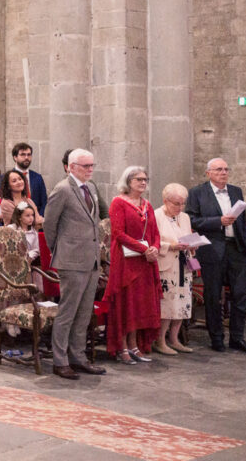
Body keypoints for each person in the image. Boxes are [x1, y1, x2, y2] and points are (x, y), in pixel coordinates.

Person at [43, 148, 107, 379]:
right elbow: (49, 225)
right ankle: (60, 361)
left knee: (84, 312)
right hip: (71, 260)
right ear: (71, 167)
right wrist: (60, 251)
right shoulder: (62, 190)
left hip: (90, 259)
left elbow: (95, 221)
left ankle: (78, 357)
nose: (90, 170)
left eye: (92, 166)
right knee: (67, 312)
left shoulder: (90, 187)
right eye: (85, 166)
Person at [187, 158, 246, 354]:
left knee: (240, 294)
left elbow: (242, 222)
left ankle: (237, 338)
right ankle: (216, 338)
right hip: (213, 250)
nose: (223, 173)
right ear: (208, 172)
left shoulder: (236, 191)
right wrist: (218, 221)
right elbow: (192, 219)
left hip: (237, 249)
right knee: (213, 295)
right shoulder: (198, 193)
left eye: (226, 169)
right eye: (219, 169)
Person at [106, 166, 161, 364]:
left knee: (139, 305)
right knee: (125, 304)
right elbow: (118, 233)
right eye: (139, 179)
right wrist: (143, 248)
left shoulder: (147, 204)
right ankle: (121, 347)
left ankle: (135, 345)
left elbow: (154, 231)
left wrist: (154, 247)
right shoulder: (118, 202)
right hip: (126, 260)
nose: (143, 182)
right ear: (128, 181)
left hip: (145, 260)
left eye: (145, 179)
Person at [154, 183, 195, 355]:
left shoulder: (184, 217)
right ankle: (160, 341)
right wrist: (171, 246)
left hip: (184, 264)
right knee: (168, 304)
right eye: (176, 203)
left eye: (183, 203)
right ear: (165, 200)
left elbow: (188, 236)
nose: (180, 207)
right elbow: (153, 242)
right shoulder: (156, 215)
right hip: (167, 264)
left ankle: (175, 339)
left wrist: (193, 244)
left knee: (182, 303)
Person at [10, 142, 48, 216]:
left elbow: (44, 202)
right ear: (15, 157)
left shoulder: (37, 177)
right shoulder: (7, 177)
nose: (26, 157)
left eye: (29, 154)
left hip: (36, 221)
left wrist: (38, 217)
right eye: (23, 154)